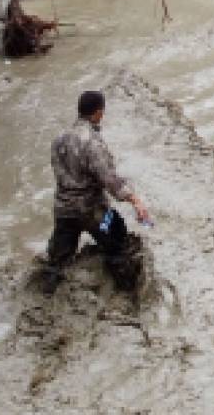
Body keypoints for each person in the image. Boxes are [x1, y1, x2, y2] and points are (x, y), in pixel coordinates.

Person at [42, 90, 153, 294]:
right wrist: (135, 200)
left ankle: (48, 292)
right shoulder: (92, 141)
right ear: (99, 112)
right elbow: (109, 179)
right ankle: (127, 292)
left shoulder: (58, 140)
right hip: (94, 213)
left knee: (57, 259)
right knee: (117, 235)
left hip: (64, 212)